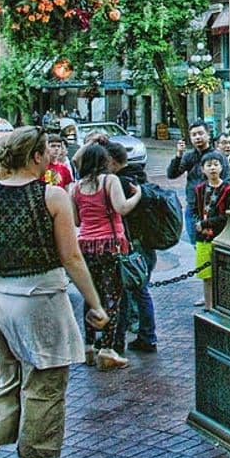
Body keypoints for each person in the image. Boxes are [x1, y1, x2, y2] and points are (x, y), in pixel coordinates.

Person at [0, 127, 108, 458]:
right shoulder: (51, 196)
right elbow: (71, 257)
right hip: (39, 301)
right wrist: (95, 304)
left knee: (8, 382)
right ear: (36, 156)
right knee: (45, 388)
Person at [69, 144, 142, 370]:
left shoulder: (75, 187)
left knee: (92, 297)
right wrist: (138, 195)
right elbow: (121, 208)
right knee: (112, 298)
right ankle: (107, 349)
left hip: (86, 246)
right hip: (110, 244)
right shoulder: (110, 181)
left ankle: (89, 345)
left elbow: (77, 221)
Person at [106, 142, 158, 353]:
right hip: (144, 241)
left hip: (132, 243)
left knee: (133, 292)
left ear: (112, 162)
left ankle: (143, 335)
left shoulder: (121, 182)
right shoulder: (138, 176)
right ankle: (146, 334)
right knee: (139, 291)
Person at [193, 151, 230, 310]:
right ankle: (208, 307)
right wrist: (198, 224)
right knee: (206, 276)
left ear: (222, 167)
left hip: (220, 237)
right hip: (202, 238)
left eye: (216, 164)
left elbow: (225, 216)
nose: (213, 168)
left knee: (222, 276)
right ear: (203, 169)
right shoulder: (199, 189)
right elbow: (194, 210)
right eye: (209, 165)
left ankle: (221, 307)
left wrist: (205, 223)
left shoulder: (228, 189)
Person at [166, 121, 214, 244]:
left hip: (212, 210)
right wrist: (178, 155)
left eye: (200, 133)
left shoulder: (216, 156)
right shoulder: (189, 157)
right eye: (194, 135)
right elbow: (172, 174)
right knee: (196, 245)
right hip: (193, 208)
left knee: (211, 246)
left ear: (208, 134)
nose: (197, 137)